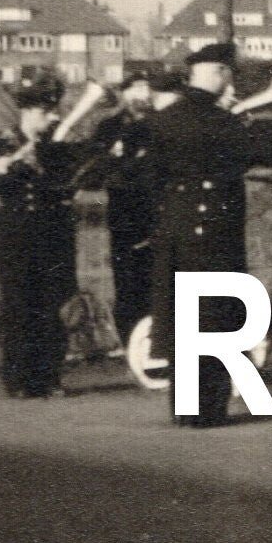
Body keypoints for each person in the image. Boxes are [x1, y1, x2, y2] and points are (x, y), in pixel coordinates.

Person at [146, 42, 272, 427]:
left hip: (176, 229)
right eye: (228, 74)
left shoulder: (166, 118)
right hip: (213, 232)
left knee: (184, 319)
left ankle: (185, 408)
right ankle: (207, 410)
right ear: (219, 74)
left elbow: (151, 176)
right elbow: (267, 149)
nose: (230, 83)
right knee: (215, 317)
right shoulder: (218, 121)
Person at [0, 83, 97, 399]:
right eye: (44, 112)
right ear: (27, 112)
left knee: (55, 305)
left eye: (52, 112)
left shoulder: (58, 145)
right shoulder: (5, 142)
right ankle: (20, 378)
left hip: (54, 236)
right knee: (20, 306)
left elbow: (71, 181)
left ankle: (49, 376)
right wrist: (5, 168)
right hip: (18, 236)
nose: (50, 118)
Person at [88, 69, 159, 345]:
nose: (143, 94)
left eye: (146, 87)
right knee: (128, 277)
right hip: (125, 211)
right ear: (124, 92)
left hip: (156, 208)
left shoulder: (159, 123)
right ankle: (131, 338)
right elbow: (98, 167)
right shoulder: (110, 127)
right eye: (136, 88)